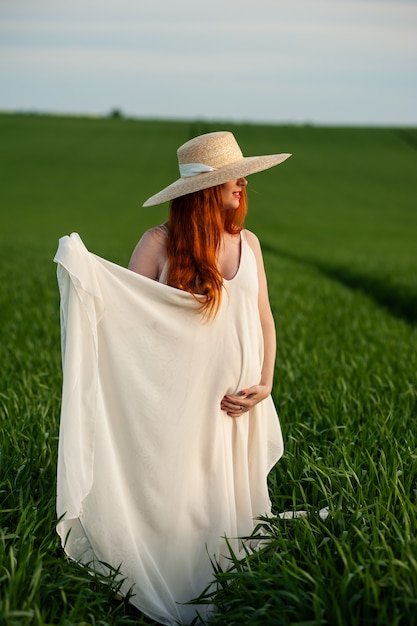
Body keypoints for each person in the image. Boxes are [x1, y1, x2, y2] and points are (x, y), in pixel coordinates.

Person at [54, 130, 291, 626]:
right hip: (180, 407)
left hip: (239, 408)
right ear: (207, 190)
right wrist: (87, 274)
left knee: (226, 507)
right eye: (232, 179)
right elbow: (127, 317)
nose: (243, 185)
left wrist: (266, 384)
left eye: (243, 177)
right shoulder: (159, 243)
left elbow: (265, 318)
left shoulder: (249, 243)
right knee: (180, 497)